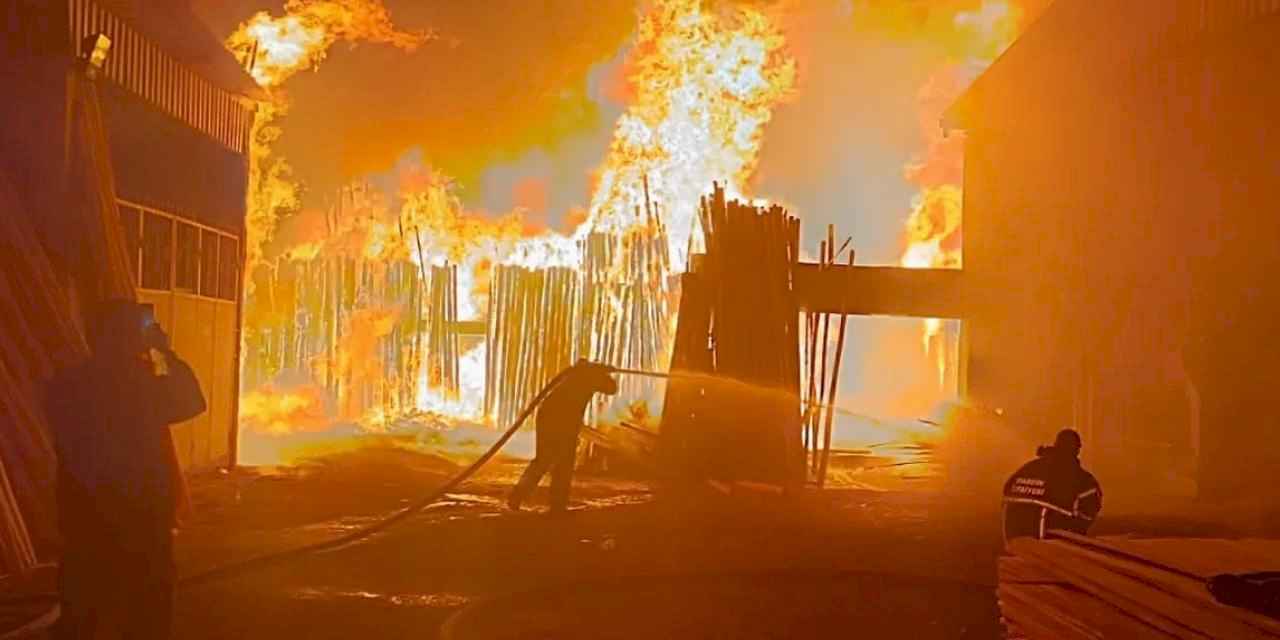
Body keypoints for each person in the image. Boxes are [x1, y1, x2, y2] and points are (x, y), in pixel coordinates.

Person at [45, 300, 207, 640]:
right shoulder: (142, 388)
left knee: (83, 615)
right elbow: (192, 400)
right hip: (142, 521)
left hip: (86, 521)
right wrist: (164, 351)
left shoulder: (65, 386)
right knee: (146, 617)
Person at [508, 359, 618, 514]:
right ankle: (546, 502)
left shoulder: (580, 374)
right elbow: (611, 388)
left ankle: (535, 500)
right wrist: (603, 372)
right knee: (556, 461)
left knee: (552, 461)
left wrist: (602, 371)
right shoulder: (589, 376)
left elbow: (609, 387)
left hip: (556, 417)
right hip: (557, 419)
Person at [1002, 429, 1102, 543]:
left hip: (1013, 544)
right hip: (1045, 548)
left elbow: (1007, 490)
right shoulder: (1077, 476)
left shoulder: (1029, 468)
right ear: (1077, 450)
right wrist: (1077, 529)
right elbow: (1092, 503)